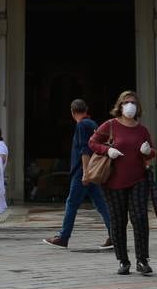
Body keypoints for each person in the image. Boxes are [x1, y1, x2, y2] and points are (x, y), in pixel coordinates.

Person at [90, 89, 157, 276]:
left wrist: (148, 151)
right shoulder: (110, 125)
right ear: (119, 106)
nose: (130, 105)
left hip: (138, 179)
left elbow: (152, 151)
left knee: (140, 219)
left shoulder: (142, 129)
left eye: (134, 103)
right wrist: (107, 151)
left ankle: (142, 260)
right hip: (113, 181)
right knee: (118, 220)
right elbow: (93, 142)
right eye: (127, 102)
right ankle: (123, 260)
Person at [43, 99, 113, 249]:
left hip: (83, 170)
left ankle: (63, 237)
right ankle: (114, 234)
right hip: (92, 169)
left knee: (72, 204)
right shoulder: (93, 124)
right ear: (86, 109)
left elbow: (85, 149)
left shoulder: (81, 125)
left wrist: (86, 173)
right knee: (100, 204)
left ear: (72, 112)